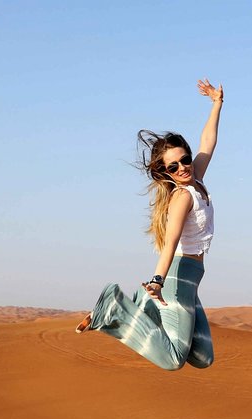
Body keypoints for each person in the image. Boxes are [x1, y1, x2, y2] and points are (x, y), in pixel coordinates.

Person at [75, 79, 224, 371]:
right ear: (164, 171)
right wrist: (157, 281)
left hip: (192, 280)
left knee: (203, 358)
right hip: (176, 278)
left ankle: (143, 305)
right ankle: (114, 309)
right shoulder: (182, 197)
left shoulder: (197, 181)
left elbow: (208, 142)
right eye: (173, 166)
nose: (182, 167)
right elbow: (170, 244)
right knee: (171, 360)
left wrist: (217, 103)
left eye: (185, 159)